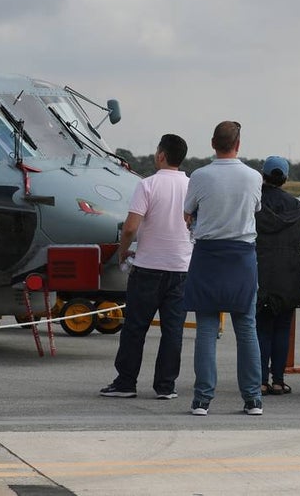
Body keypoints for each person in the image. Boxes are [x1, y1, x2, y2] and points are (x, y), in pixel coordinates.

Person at [99, 134, 193, 400]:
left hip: (149, 267)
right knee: (173, 331)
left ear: (161, 155)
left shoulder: (147, 185)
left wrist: (121, 252)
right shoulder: (191, 185)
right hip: (181, 267)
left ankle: (126, 382)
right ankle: (165, 386)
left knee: (136, 328)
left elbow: (130, 226)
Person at [182, 121, 264, 417]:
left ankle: (202, 399)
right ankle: (253, 398)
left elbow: (187, 211)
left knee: (205, 329)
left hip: (208, 255)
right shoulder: (254, 177)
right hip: (242, 255)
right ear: (238, 144)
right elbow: (255, 209)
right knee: (247, 328)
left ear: (212, 143)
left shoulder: (201, 175)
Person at [255, 155, 300, 396]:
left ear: (263, 175)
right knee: (282, 328)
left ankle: (260, 380)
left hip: (262, 273)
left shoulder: (255, 203)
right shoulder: (297, 207)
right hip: (290, 274)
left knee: (262, 328)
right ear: (285, 178)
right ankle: (278, 380)